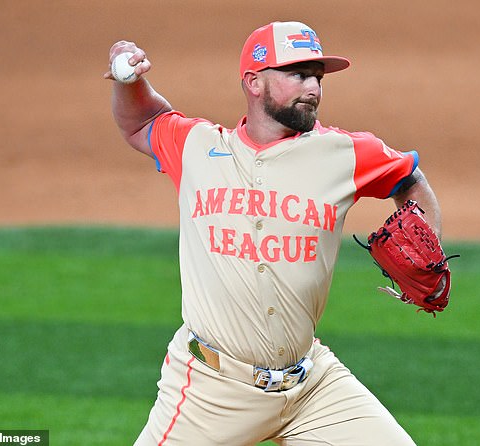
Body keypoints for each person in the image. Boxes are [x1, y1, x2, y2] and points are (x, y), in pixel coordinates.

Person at [106, 21, 442, 446]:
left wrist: (430, 243)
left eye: (317, 78)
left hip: (312, 386)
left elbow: (408, 177)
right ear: (254, 82)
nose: (313, 88)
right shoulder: (197, 147)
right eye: (298, 75)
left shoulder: (345, 152)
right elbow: (143, 121)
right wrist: (129, 80)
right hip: (212, 393)